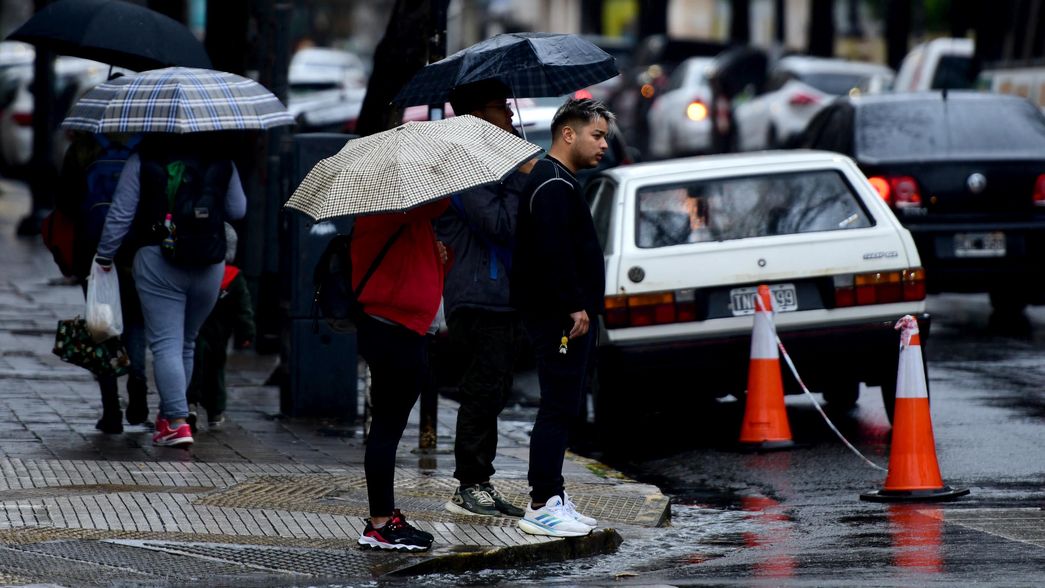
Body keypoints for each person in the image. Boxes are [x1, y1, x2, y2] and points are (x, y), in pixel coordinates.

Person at [94, 133, 247, 448]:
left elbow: (121, 214)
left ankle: (176, 421)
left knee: (165, 344)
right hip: (209, 260)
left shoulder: (144, 159)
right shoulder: (222, 160)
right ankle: (171, 416)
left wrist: (104, 256)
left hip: (157, 255)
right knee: (186, 342)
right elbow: (238, 209)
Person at [510, 98, 613, 537]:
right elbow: (554, 255)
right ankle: (541, 505)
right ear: (568, 134)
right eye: (597, 135)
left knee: (564, 406)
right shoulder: (552, 184)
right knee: (557, 407)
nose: (604, 144)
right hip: (560, 319)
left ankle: (553, 494)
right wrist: (574, 304)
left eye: (605, 136)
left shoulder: (558, 180)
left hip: (563, 316)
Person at [436, 79, 532, 518]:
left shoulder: (493, 159)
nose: (510, 116)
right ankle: (469, 482)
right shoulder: (465, 164)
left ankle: (482, 480)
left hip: (503, 294)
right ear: (476, 113)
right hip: (478, 295)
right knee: (482, 390)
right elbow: (499, 225)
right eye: (501, 107)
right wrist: (520, 179)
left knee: (495, 390)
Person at [355, 200, 448, 552]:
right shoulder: (400, 207)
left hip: (393, 327)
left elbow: (412, 266)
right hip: (396, 330)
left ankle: (383, 517)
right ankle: (380, 524)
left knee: (386, 428)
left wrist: (435, 254)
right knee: (386, 429)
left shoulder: (398, 212)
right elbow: (443, 202)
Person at [56, 131, 150, 434]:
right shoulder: (150, 145)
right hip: (139, 250)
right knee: (136, 320)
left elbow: (66, 203)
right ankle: (138, 382)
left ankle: (111, 410)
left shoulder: (84, 147)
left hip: (94, 252)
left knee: (101, 325)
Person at [186, 223, 255, 431]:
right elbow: (244, 309)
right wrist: (246, 333)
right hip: (220, 335)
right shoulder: (234, 277)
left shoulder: (195, 272)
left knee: (193, 366)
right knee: (216, 371)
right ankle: (215, 411)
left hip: (196, 329)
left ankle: (190, 404)